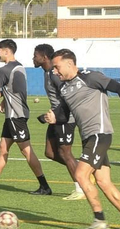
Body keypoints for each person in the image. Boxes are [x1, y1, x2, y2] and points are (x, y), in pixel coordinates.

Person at [40, 49, 120, 229]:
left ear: (70, 64)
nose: (55, 71)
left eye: (57, 67)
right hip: (88, 137)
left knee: (81, 175)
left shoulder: (90, 77)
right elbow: (65, 114)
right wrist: (54, 118)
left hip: (100, 134)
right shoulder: (64, 88)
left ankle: (99, 220)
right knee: (103, 181)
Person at [0, 39, 50, 194]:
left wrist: (2, 97)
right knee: (3, 149)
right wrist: (5, 98)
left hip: (15, 116)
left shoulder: (4, 70)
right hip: (15, 115)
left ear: (7, 51)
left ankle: (45, 186)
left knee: (27, 151)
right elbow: (14, 90)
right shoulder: (20, 67)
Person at [33, 43, 87, 201]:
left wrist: (55, 114)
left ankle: (80, 188)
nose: (33, 58)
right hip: (54, 118)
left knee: (65, 152)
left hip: (64, 118)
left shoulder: (54, 75)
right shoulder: (47, 73)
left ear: (44, 57)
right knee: (50, 153)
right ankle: (83, 172)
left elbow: (66, 96)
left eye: (35, 55)